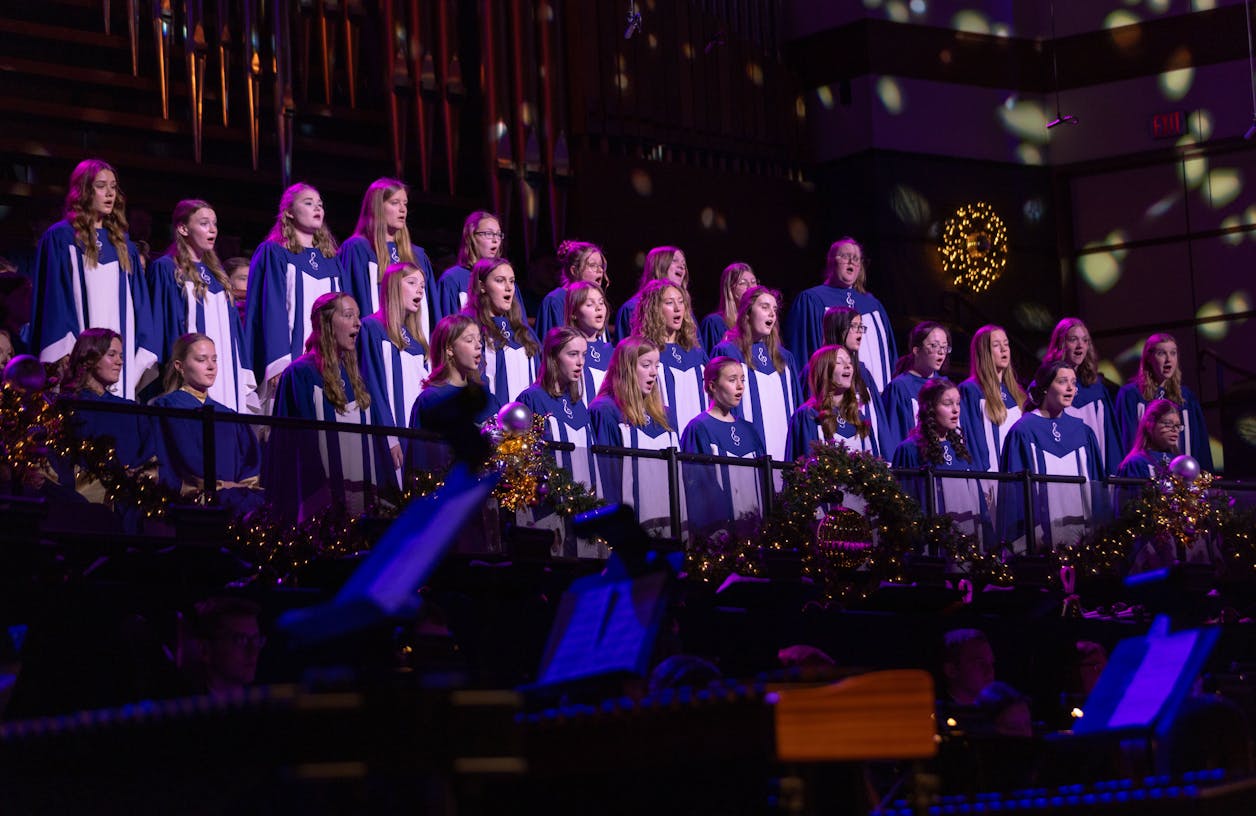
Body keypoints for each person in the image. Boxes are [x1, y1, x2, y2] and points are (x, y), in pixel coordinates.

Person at [32, 158, 159, 400]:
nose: (110, 193)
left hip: (120, 363)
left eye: (114, 187)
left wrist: (139, 355)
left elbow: (141, 308)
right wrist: (66, 359)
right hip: (75, 360)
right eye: (101, 186)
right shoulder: (62, 238)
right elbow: (55, 303)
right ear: (83, 190)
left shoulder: (125, 246)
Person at [270, 292, 398, 520]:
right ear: (326, 323)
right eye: (349, 316)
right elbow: (293, 447)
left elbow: (376, 441)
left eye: (358, 316)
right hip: (321, 502)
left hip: (363, 498)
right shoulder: (301, 375)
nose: (358, 323)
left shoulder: (359, 379)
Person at [149, 199, 256, 414]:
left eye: (215, 224)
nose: (213, 230)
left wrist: (242, 369)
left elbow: (235, 331)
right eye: (204, 223)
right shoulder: (167, 268)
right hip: (189, 372)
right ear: (183, 228)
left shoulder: (219, 276)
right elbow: (164, 324)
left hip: (225, 368)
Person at [244, 183, 345, 408]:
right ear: (289, 212)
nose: (317, 208)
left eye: (320, 204)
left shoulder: (332, 261)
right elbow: (272, 310)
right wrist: (278, 364)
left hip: (331, 364)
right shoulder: (275, 253)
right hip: (289, 358)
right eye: (308, 203)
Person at [999, 359, 1108, 551]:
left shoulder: (1083, 432)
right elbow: (1015, 495)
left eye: (1073, 383)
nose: (1070, 388)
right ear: (1045, 387)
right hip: (1040, 541)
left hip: (1082, 536)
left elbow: (1096, 488)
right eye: (1062, 381)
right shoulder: (1024, 431)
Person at [150, 333, 263, 516]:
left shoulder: (227, 414)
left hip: (234, 507)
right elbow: (172, 461)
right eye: (201, 360)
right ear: (180, 366)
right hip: (191, 506)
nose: (211, 367)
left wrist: (239, 489)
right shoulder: (168, 408)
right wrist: (217, 487)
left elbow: (249, 462)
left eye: (214, 360)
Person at [588, 336, 680, 533]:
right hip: (628, 523)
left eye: (656, 365)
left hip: (667, 517)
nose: (654, 372)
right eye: (646, 365)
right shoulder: (606, 410)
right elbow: (607, 474)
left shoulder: (664, 415)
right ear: (626, 368)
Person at [785, 237, 896, 393]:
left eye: (856, 258)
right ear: (831, 262)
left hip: (873, 396)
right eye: (845, 256)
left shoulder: (873, 305)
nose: (851, 261)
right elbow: (802, 351)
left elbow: (890, 355)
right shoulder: (812, 300)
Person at [892, 378, 993, 546]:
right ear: (930, 408)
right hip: (931, 542)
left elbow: (977, 502)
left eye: (958, 403)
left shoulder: (960, 449)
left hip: (966, 536)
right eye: (947, 404)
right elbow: (904, 507)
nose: (955, 410)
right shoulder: (910, 449)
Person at [338, 178, 438, 338]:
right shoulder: (358, 249)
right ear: (377, 207)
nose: (402, 209)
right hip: (373, 343)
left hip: (415, 348)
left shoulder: (417, 256)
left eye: (405, 203)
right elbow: (347, 299)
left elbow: (433, 313)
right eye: (395, 203)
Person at [711, 286, 800, 462]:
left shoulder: (785, 358)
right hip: (745, 450)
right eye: (765, 307)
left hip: (785, 450)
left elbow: (796, 405)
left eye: (774, 309)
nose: (772, 314)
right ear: (748, 313)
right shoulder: (728, 352)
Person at [680, 357, 767, 534]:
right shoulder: (699, 428)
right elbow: (699, 487)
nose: (740, 386)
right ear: (712, 386)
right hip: (720, 531)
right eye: (732, 380)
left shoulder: (749, 430)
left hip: (755, 527)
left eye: (742, 379)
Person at [408, 314, 500, 468]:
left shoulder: (487, 399)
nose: (478, 345)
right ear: (449, 348)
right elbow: (419, 461)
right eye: (470, 340)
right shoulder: (432, 400)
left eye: (479, 339)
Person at [1115, 333, 1212, 471]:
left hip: (1183, 477)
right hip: (1145, 475)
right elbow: (1123, 440)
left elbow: (1200, 443)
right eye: (1162, 353)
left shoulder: (1186, 398)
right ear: (1149, 358)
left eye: (1173, 353)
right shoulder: (1131, 395)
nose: (1168, 359)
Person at [517, 327, 598, 491]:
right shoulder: (532, 399)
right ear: (553, 357)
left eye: (583, 354)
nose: (580, 362)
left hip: (585, 502)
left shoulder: (579, 405)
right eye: (573, 354)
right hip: (549, 506)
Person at [356, 261, 431, 434]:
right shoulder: (372, 328)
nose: (420, 289)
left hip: (415, 434)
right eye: (412, 283)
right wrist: (388, 436)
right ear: (394, 286)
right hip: (389, 432)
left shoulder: (418, 341)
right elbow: (372, 384)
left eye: (422, 285)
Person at [1042, 318, 1121, 474]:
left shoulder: (1097, 389)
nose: (1080, 346)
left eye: (1085, 341)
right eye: (1073, 340)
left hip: (1095, 471)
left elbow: (1110, 441)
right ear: (1061, 343)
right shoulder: (1045, 385)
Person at [631, 278, 709, 432]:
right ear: (654, 309)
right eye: (669, 303)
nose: (677, 308)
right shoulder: (644, 352)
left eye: (681, 302)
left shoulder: (696, 353)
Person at [785, 344, 886, 461]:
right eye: (839, 362)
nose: (848, 366)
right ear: (824, 371)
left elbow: (875, 466)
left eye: (849, 362)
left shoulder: (859, 419)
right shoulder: (809, 416)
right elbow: (803, 469)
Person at [463, 257, 539, 405]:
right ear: (482, 286)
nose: (509, 287)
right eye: (500, 280)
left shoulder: (524, 332)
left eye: (512, 281)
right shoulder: (472, 330)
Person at [959, 324, 1027, 473]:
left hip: (1017, 476)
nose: (1004, 349)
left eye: (1006, 344)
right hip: (991, 476)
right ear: (984, 353)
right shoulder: (971, 390)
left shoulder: (1017, 393)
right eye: (996, 345)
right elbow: (972, 439)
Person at [882, 321, 950, 453]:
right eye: (934, 346)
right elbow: (893, 435)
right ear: (916, 350)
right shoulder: (899, 388)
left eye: (945, 347)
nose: (941, 352)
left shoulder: (946, 386)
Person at [434, 210, 511, 321]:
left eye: (498, 235)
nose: (495, 240)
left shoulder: (506, 280)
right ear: (471, 237)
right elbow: (446, 328)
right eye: (488, 234)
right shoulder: (452, 280)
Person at [181, 597, 264, 695]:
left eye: (256, 640)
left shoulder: (269, 702)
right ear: (205, 650)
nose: (253, 651)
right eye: (241, 640)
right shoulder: (182, 705)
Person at [534, 240, 609, 340]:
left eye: (601, 266)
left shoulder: (599, 303)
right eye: (592, 265)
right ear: (574, 270)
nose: (600, 271)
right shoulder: (556, 300)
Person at [615, 245, 688, 340]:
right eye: (674, 260)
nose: (682, 266)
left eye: (683, 263)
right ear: (658, 266)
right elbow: (624, 351)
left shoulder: (684, 309)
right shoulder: (632, 308)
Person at [821, 305, 883, 403]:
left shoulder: (862, 371)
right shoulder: (819, 368)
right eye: (854, 326)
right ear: (838, 329)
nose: (859, 331)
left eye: (860, 326)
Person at [566, 281, 612, 405]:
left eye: (601, 302)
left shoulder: (611, 352)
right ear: (574, 313)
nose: (599, 307)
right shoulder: (566, 352)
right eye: (590, 304)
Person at [1116, 398, 1181, 479]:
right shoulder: (1136, 464)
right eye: (1168, 424)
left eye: (1178, 426)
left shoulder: (1180, 463)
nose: (1174, 430)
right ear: (1150, 425)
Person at [699, 262, 757, 353]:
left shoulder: (758, 325)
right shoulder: (714, 323)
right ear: (730, 289)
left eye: (753, 282)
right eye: (743, 283)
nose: (750, 287)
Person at [940, 628, 995, 706]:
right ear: (951, 670)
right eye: (979, 663)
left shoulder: (996, 711)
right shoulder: (934, 713)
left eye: (991, 663)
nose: (990, 671)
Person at [224, 256, 250, 321]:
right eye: (243, 279)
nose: (249, 283)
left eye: (252, 278)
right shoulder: (224, 308)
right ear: (228, 280)